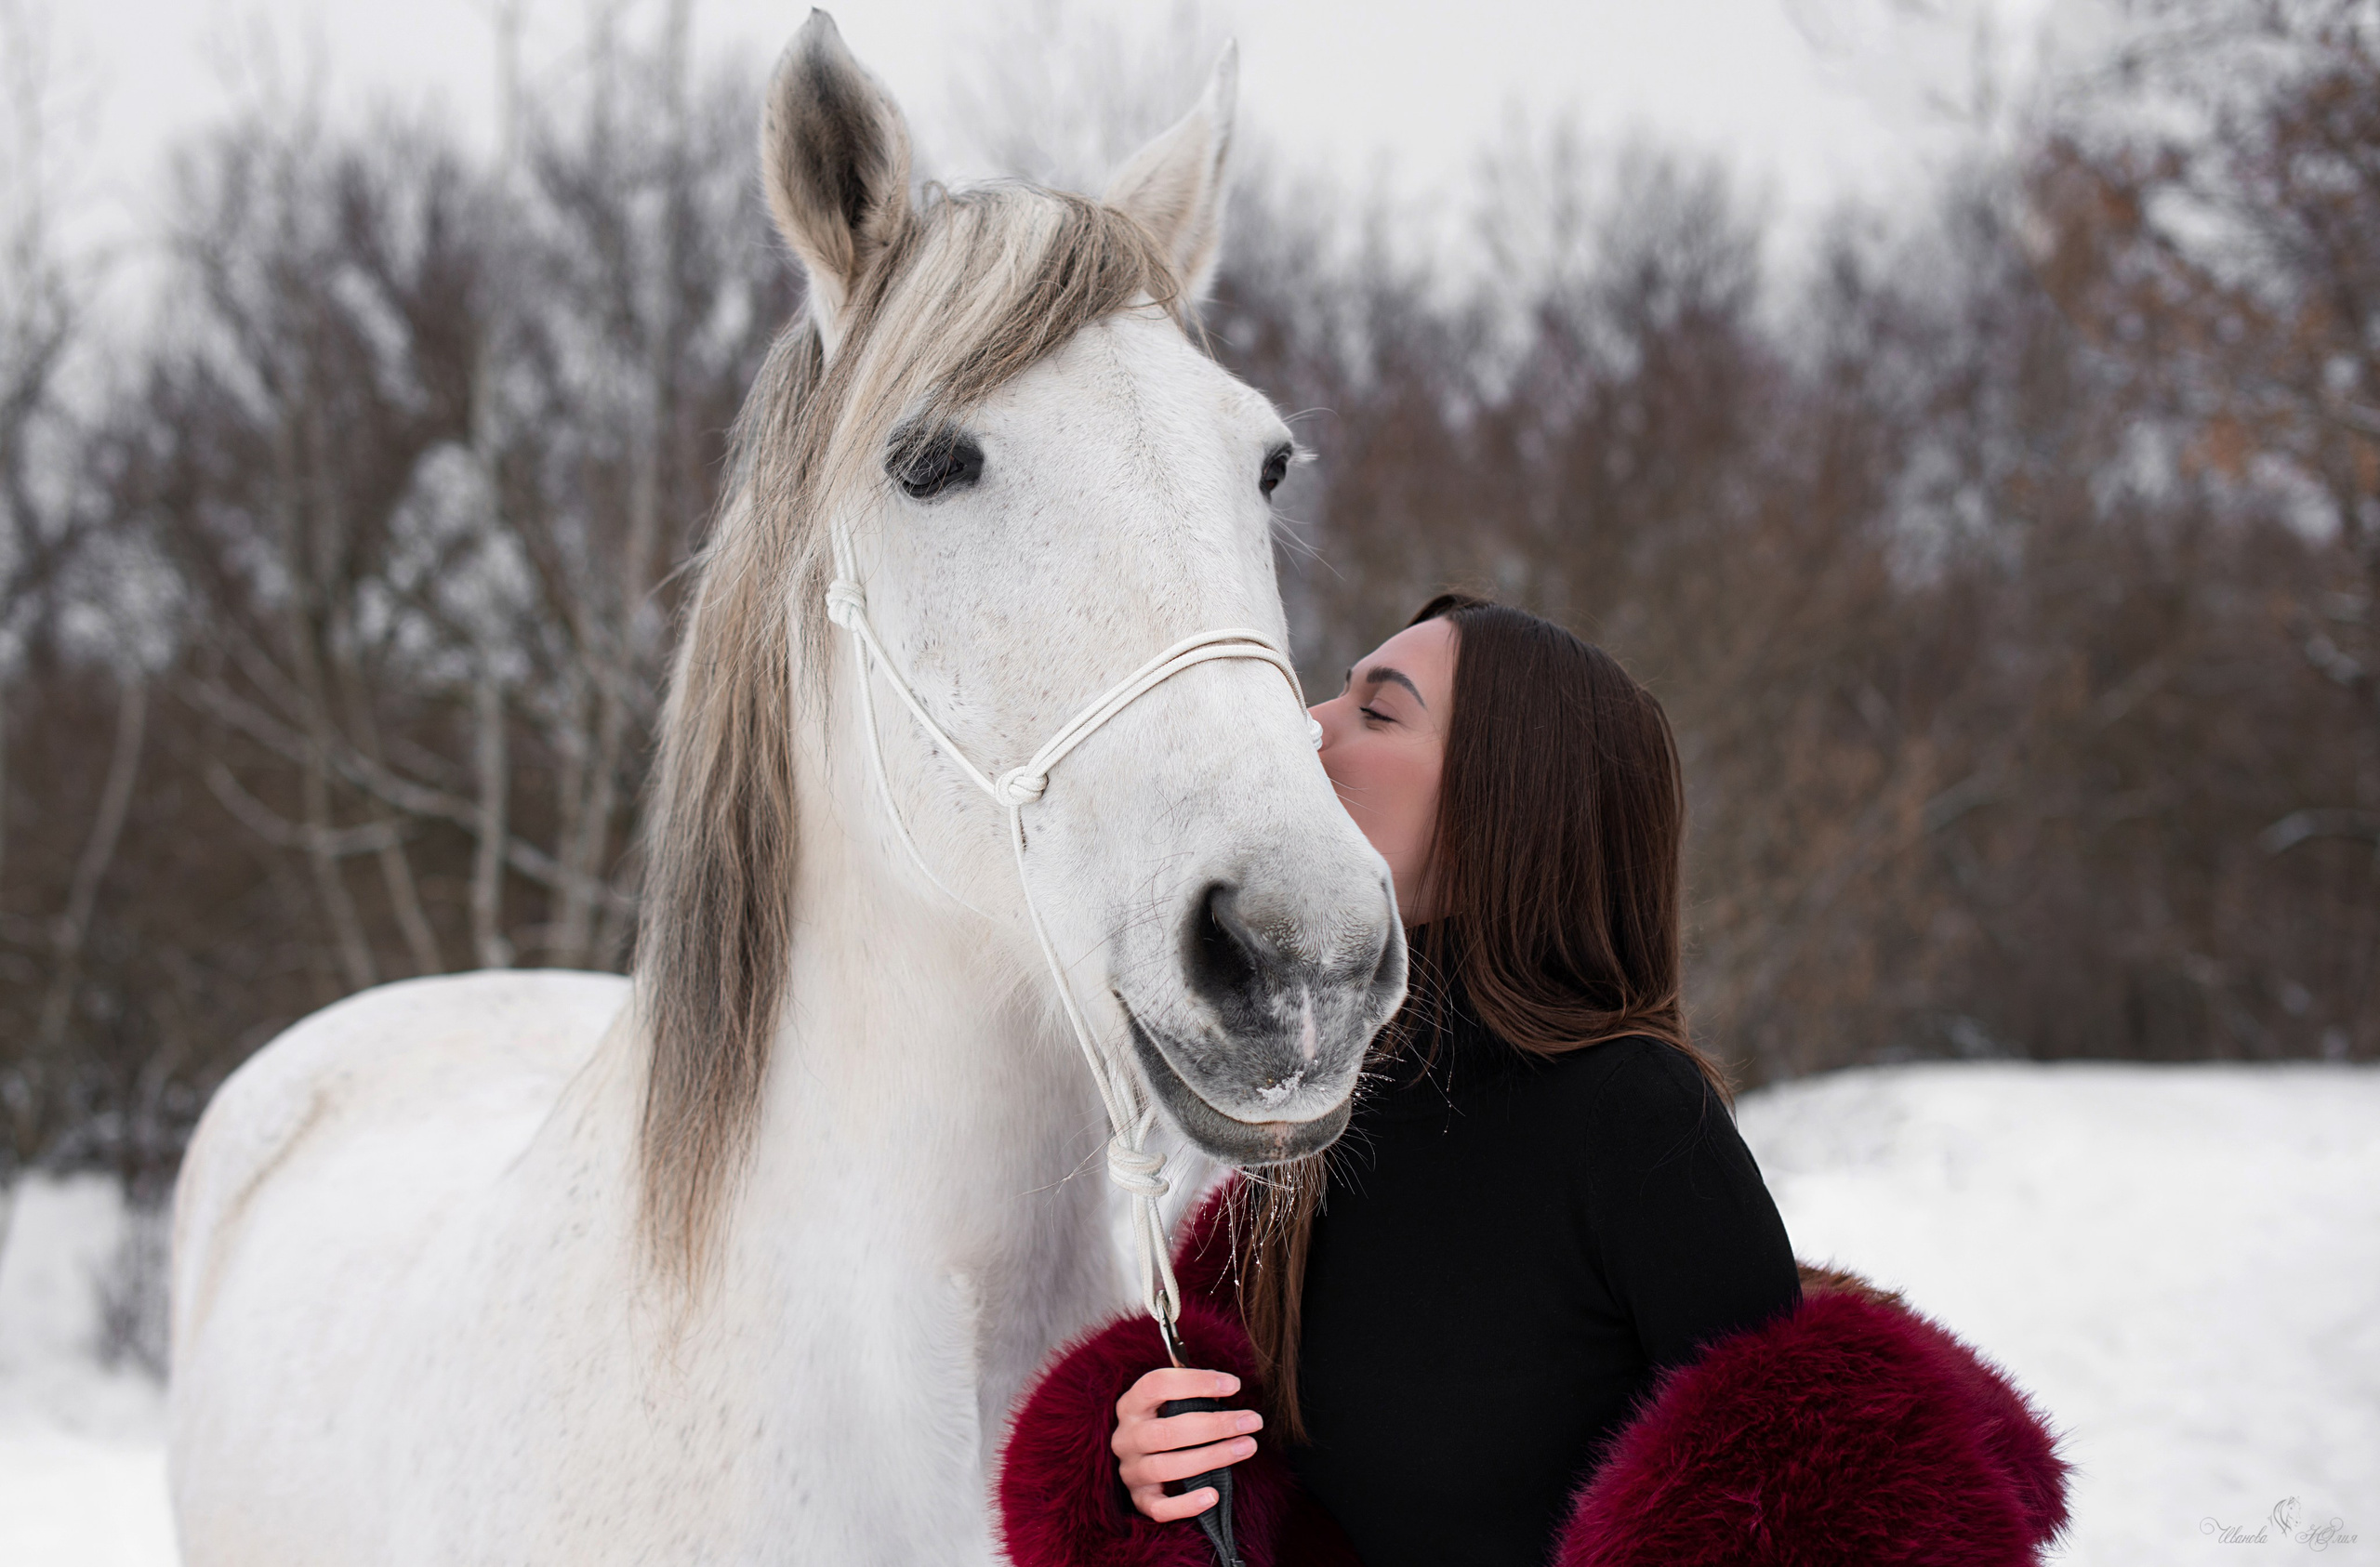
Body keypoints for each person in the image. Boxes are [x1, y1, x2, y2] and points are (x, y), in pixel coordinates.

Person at [995, 595, 2071, 1567]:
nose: (1307, 718)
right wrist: (1148, 1475)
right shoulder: (1304, 1138)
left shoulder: (1634, 1118)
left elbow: (1803, 1507)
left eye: (1380, 711)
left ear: (1503, 806)